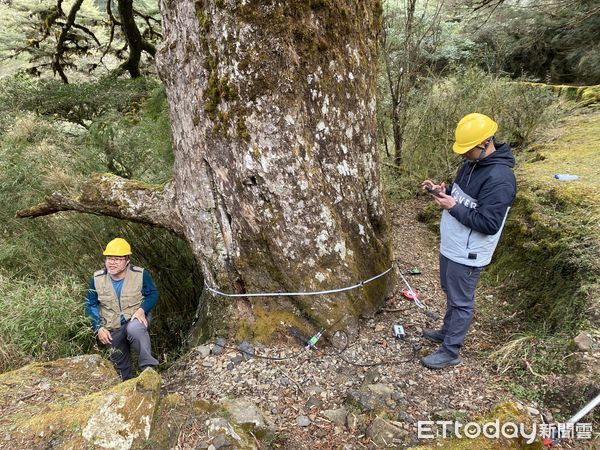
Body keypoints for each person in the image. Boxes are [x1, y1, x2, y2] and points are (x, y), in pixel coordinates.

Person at [420, 113, 516, 369]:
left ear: (485, 143)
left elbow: (489, 224)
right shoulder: (471, 165)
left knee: (461, 301)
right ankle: (446, 332)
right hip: (453, 246)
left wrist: (452, 207)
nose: (463, 155)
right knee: (451, 293)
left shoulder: (500, 179)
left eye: (467, 150)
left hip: (469, 253)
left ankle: (451, 351)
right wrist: (442, 193)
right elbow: (460, 198)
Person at [85, 237, 159, 380]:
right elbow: (90, 304)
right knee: (119, 365)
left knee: (135, 329)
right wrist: (98, 328)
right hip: (112, 325)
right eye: (109, 258)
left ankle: (149, 371)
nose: (112, 263)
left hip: (135, 317)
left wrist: (142, 309)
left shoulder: (140, 274)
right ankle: (127, 384)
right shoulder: (97, 278)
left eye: (117, 259)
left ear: (127, 261)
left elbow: (153, 294)